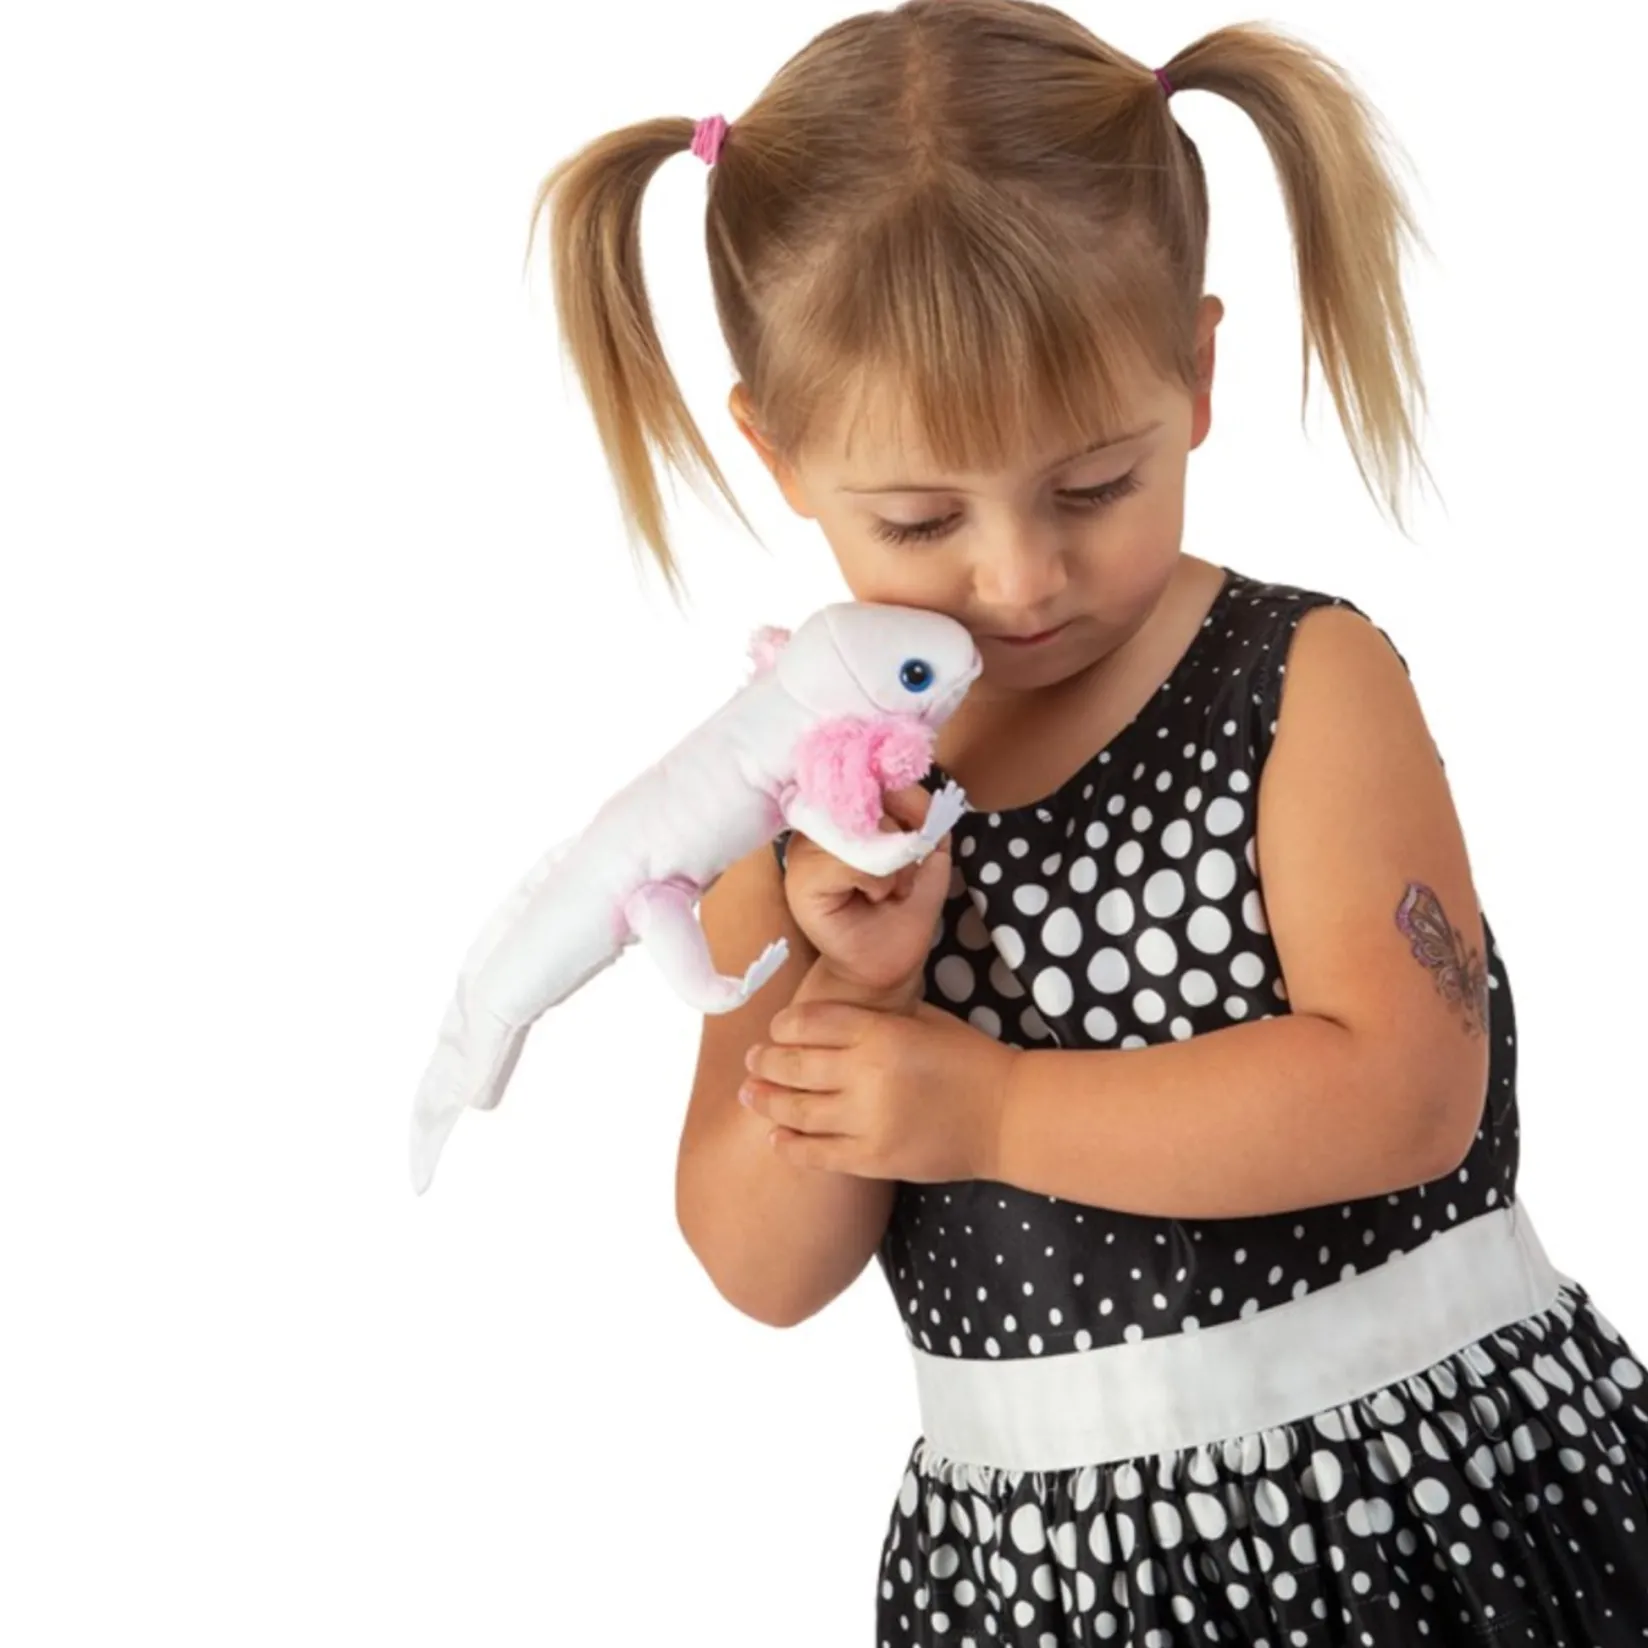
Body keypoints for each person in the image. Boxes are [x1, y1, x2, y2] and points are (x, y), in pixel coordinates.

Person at [527, 3, 1648, 1641]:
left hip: (1409, 1521)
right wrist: (857, 995)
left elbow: (1407, 1092)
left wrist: (984, 1112)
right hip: (1044, 1589)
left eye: (1094, 487)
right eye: (922, 518)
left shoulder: (1296, 682)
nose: (1021, 576)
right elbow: (760, 1267)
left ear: (1197, 372)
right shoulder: (808, 804)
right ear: (778, 452)